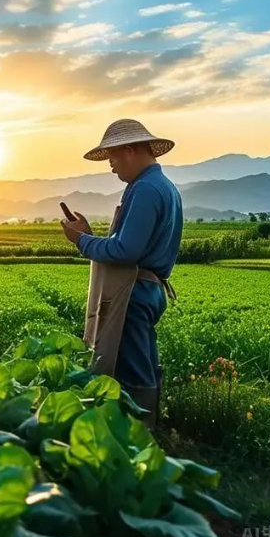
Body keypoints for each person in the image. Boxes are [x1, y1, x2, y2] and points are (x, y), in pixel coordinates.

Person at [60, 119, 183, 427]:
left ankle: (138, 435)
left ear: (129, 150)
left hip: (134, 294)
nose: (110, 164)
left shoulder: (145, 189)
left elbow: (125, 250)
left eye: (112, 156)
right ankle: (152, 430)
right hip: (150, 290)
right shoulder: (163, 186)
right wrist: (89, 234)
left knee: (131, 371)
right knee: (145, 363)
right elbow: (129, 244)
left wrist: (81, 241)